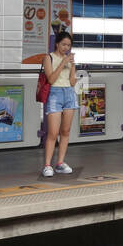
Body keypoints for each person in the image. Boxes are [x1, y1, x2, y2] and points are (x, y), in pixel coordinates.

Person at [42, 31, 78, 177]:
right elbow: (51, 79)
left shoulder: (69, 59)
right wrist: (64, 63)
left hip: (69, 93)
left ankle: (60, 163)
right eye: (63, 44)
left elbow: (72, 82)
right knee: (53, 132)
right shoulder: (48, 57)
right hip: (55, 94)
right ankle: (47, 165)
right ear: (57, 43)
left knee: (66, 131)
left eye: (68, 45)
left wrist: (73, 66)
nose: (66, 48)